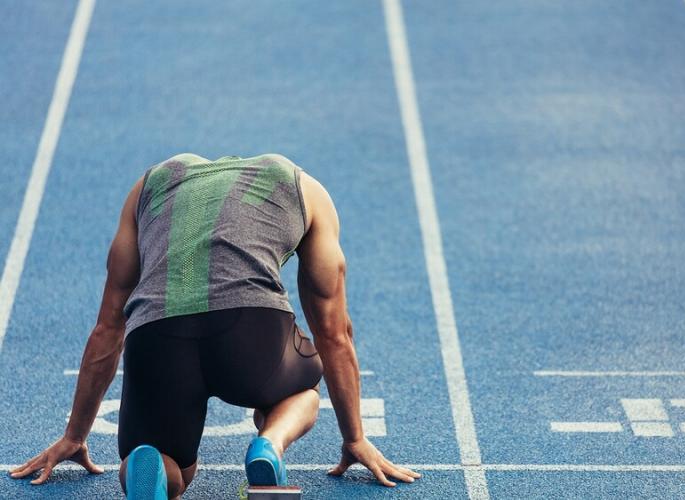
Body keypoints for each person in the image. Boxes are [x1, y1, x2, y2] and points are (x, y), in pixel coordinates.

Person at [9, 153, 421, 499]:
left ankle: (147, 462)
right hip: (251, 334)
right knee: (303, 388)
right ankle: (270, 444)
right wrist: (354, 439)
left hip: (157, 336)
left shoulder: (151, 183)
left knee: (170, 470)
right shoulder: (303, 187)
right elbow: (335, 332)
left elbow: (107, 329)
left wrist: (75, 434)